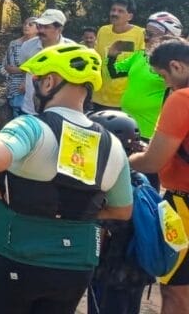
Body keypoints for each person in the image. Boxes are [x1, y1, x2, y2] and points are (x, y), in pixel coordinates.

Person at [0, 44, 133, 314]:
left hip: (18, 256)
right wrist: (75, 211)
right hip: (76, 267)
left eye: (36, 81)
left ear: (49, 82)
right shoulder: (113, 144)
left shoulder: (31, 126)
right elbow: (122, 211)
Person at [128, 39, 189, 314]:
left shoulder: (182, 98)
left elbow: (152, 162)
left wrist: (125, 160)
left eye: (164, 76)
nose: (166, 84)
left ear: (176, 66)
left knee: (176, 290)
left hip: (184, 205)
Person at [85, 110, 154, 314]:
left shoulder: (108, 183)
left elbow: (100, 233)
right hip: (137, 269)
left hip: (110, 273)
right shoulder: (140, 179)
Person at [106, 12, 183, 141]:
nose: (146, 38)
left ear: (168, 38)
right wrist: (112, 56)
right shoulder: (140, 55)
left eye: (151, 35)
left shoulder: (175, 66)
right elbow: (114, 73)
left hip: (149, 131)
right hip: (126, 125)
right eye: (145, 33)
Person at [18, 9, 76, 115]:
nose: (41, 30)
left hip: (60, 110)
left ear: (59, 29)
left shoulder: (72, 50)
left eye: (46, 27)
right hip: (30, 109)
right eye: (40, 26)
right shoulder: (28, 46)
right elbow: (23, 68)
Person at [94, 0, 145, 111]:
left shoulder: (140, 34)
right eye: (113, 10)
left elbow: (141, 65)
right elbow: (97, 58)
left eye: (120, 11)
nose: (115, 13)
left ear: (130, 16)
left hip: (126, 100)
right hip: (100, 97)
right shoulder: (103, 31)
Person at [3, 17, 38, 118]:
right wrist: (29, 69)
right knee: (19, 110)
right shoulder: (14, 44)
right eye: (25, 24)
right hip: (16, 83)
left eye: (30, 24)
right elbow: (9, 67)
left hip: (35, 83)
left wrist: (26, 72)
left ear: (38, 28)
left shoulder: (40, 45)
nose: (26, 26)